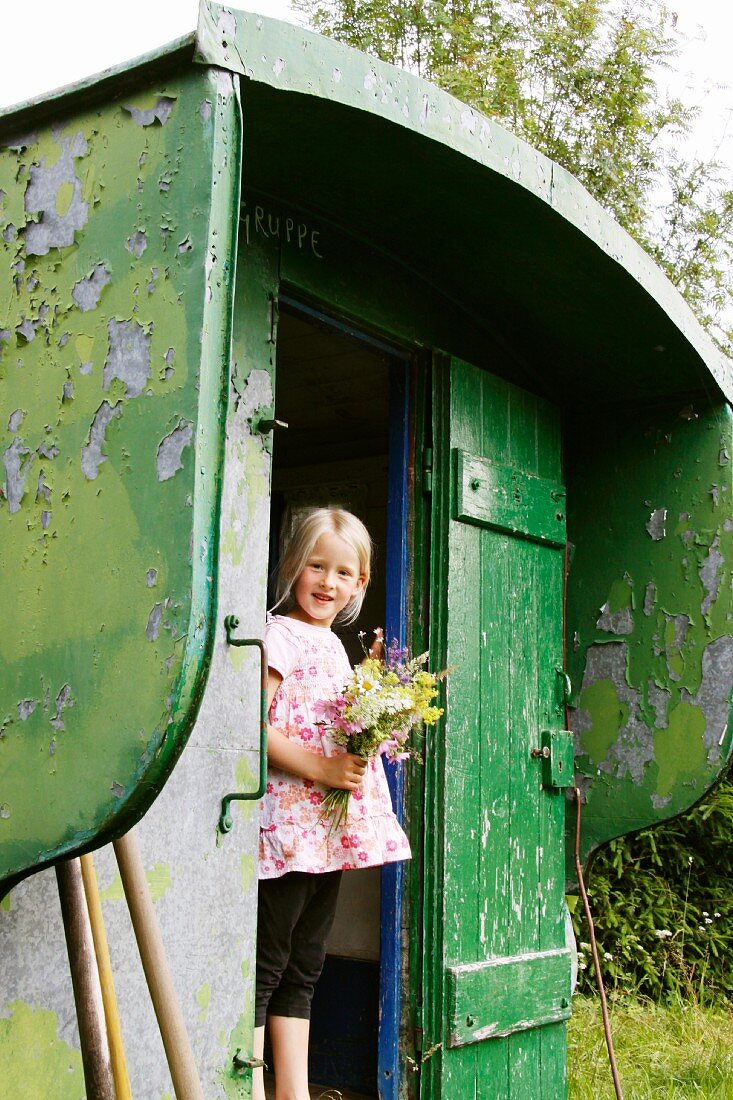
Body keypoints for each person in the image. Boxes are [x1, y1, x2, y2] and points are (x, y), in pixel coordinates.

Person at [252, 508, 411, 1100]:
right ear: (294, 566)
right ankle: (241, 1085)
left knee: (305, 967)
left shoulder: (336, 647)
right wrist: (321, 767)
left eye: (342, 572)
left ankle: (291, 1094)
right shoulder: (277, 635)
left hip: (325, 834)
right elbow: (251, 723)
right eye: (316, 566)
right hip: (287, 828)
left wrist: (377, 718)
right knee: (267, 966)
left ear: (359, 584)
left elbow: (340, 724)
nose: (327, 582)